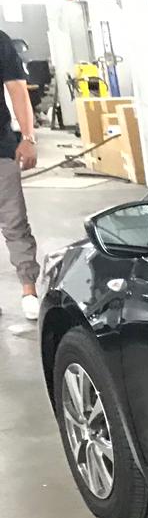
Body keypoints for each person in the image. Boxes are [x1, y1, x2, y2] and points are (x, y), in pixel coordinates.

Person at [1, 29, 40, 321]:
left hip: (0, 148)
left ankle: (29, 292)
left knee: (14, 222)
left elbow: (17, 88)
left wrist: (28, 137)